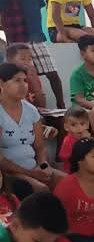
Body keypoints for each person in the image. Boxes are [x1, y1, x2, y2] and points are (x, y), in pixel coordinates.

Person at [0, 0, 64, 108]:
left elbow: (36, 14)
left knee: (52, 73)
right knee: (21, 75)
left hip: (37, 39)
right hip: (16, 42)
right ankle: (26, 106)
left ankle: (61, 105)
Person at [0, 62, 62, 194]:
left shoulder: (31, 110)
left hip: (34, 168)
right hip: (8, 173)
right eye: (17, 80)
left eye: (25, 81)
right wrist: (30, 174)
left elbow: (39, 147)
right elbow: (1, 160)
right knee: (42, 189)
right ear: (1, 83)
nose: (23, 85)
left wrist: (43, 166)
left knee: (67, 182)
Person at [5, 43, 46, 108]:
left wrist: (34, 82)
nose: (27, 63)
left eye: (29, 59)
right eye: (23, 59)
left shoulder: (31, 75)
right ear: (9, 60)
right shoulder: (4, 79)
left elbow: (42, 105)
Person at [58, 107, 91, 173]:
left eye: (82, 124)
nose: (79, 128)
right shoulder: (68, 140)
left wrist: (88, 140)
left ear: (87, 125)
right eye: (73, 125)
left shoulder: (88, 137)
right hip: (72, 170)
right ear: (66, 127)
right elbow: (63, 156)